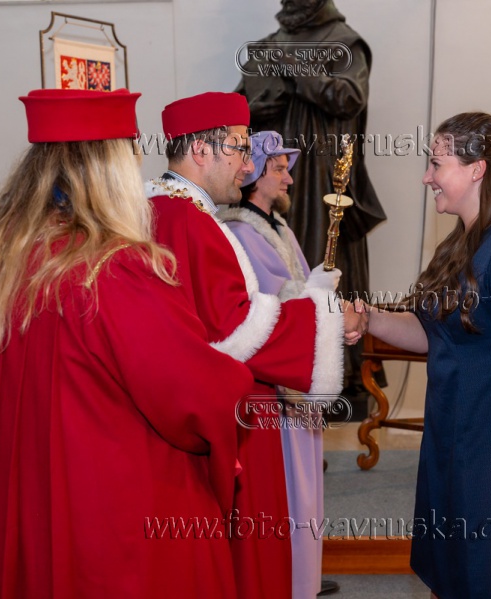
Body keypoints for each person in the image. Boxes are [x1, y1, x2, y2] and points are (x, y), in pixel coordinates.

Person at [0, 89, 255, 598]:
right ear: (111, 174)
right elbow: (200, 396)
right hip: (104, 533)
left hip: (12, 530)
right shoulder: (110, 271)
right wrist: (236, 379)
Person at [146, 92, 361, 599]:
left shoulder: (170, 211)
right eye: (241, 149)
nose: (248, 166)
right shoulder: (189, 221)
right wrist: (328, 318)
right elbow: (234, 327)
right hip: (226, 411)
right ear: (201, 150)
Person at [358, 113, 491, 598]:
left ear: (477, 169)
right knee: (457, 573)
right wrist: (369, 318)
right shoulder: (460, 243)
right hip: (459, 434)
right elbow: (434, 334)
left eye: (437, 164)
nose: (427, 177)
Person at [236, 0, 387, 408]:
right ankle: (281, 359)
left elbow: (350, 98)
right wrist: (258, 107)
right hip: (267, 181)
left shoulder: (345, 42)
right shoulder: (267, 45)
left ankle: (337, 371)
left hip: (320, 176)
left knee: (322, 260)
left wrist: (294, 68)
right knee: (271, 266)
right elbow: (237, 107)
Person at [219, 130, 338, 598]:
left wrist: (321, 293)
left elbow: (299, 285)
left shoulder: (279, 228)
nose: (289, 178)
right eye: (280, 169)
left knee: (305, 484)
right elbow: (268, 303)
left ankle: (304, 575)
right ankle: (291, 578)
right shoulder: (240, 231)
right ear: (255, 176)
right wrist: (315, 296)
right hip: (273, 381)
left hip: (297, 379)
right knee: (286, 486)